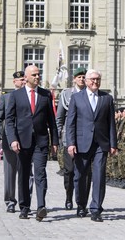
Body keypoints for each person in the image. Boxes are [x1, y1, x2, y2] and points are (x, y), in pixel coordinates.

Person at [5, 65, 59, 221]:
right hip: (22, 142)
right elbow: (9, 120)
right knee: (23, 174)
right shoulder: (16, 96)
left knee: (40, 173)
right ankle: (25, 207)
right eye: (34, 74)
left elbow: (51, 120)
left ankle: (41, 206)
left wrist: (54, 140)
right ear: (26, 77)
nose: (37, 77)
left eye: (39, 74)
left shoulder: (45, 95)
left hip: (41, 141)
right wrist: (13, 139)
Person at [66, 69, 117, 222]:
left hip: (101, 143)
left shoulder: (106, 98)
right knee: (80, 175)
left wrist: (113, 143)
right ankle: (81, 205)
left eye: (98, 79)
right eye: (93, 79)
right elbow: (71, 123)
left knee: (99, 176)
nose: (95, 82)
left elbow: (111, 123)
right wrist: (71, 143)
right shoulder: (76, 98)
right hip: (81, 143)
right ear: (86, 81)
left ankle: (96, 209)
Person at [0, 70, 26, 213]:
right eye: (21, 80)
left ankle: (26, 201)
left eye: (25, 79)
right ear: (15, 82)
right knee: (10, 172)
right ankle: (10, 201)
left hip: (26, 139)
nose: (24, 82)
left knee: (27, 173)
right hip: (8, 139)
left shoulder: (30, 97)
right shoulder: (6, 97)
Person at [56, 67, 88, 210]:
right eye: (79, 76)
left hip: (86, 138)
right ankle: (69, 197)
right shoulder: (66, 94)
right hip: (69, 138)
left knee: (85, 172)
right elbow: (60, 118)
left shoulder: (90, 94)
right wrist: (58, 138)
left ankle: (81, 201)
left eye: (83, 76)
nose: (81, 79)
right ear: (74, 79)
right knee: (69, 171)